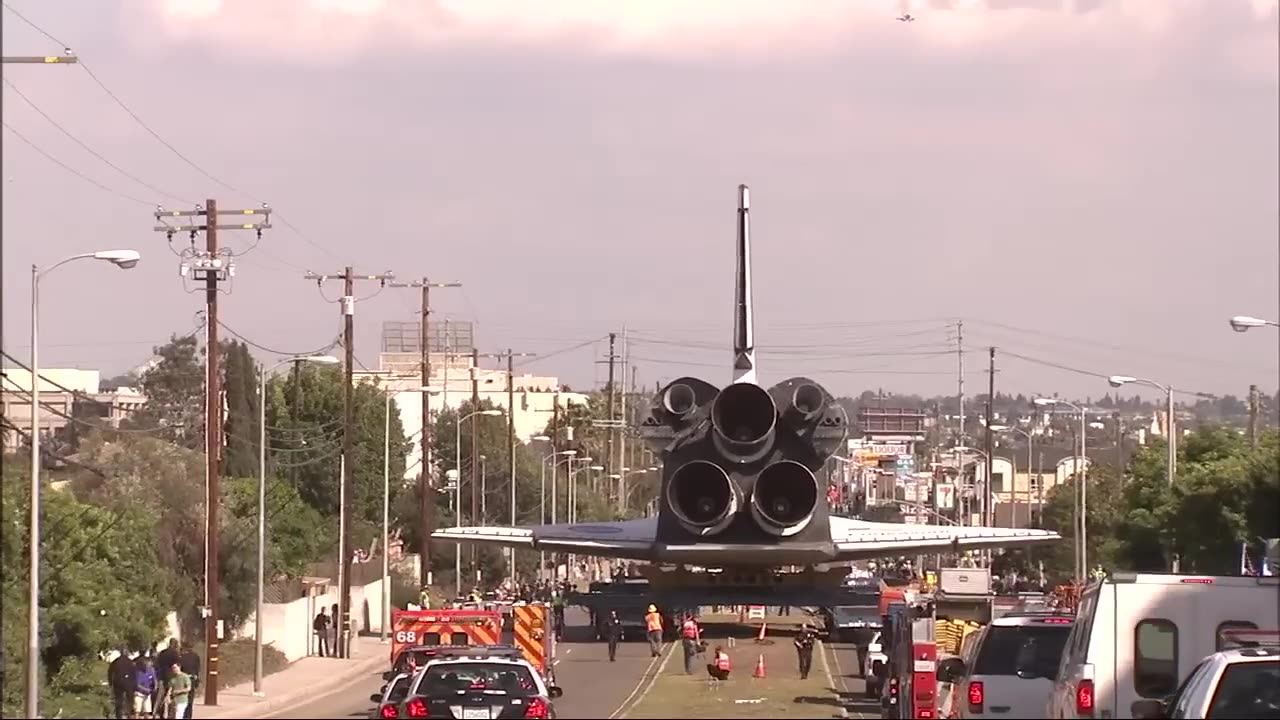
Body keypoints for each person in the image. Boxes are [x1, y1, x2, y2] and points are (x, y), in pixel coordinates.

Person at [108, 647, 136, 720]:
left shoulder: (115, 661)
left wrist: (110, 682)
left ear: (120, 652)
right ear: (126, 653)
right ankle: (129, 713)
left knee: (119, 699)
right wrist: (134, 685)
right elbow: (134, 674)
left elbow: (110, 672)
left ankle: (119, 715)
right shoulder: (130, 662)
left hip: (118, 682)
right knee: (129, 699)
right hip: (128, 683)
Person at [178, 642, 201, 720]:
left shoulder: (182, 657)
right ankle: (188, 716)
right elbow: (197, 670)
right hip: (192, 679)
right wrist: (197, 680)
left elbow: (180, 669)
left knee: (183, 698)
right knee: (190, 699)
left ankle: (183, 715)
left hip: (183, 679)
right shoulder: (196, 656)